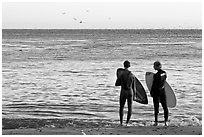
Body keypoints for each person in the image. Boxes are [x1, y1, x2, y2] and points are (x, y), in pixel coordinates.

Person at [115, 60, 136, 126]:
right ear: (129, 66)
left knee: (121, 107)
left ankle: (121, 122)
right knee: (130, 107)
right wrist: (134, 95)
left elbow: (116, 84)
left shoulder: (121, 74)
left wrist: (121, 82)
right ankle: (127, 123)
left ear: (124, 65)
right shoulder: (132, 75)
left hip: (123, 91)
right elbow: (134, 87)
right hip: (130, 92)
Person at [150, 61, 169, 126]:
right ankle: (166, 122)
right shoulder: (164, 73)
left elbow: (154, 85)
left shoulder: (156, 75)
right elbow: (164, 81)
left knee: (156, 107)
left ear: (157, 66)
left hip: (156, 92)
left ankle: (156, 122)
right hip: (163, 91)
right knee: (165, 106)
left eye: (154, 66)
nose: (153, 67)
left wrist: (151, 92)